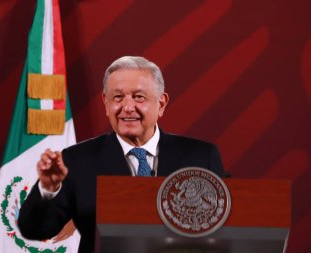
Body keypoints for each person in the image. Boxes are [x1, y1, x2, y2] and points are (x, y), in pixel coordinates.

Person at [18, 56, 224, 253]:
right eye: (117, 97)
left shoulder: (201, 157)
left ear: (161, 104)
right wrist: (48, 189)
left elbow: (230, 226)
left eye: (138, 97)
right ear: (106, 103)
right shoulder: (77, 160)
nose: (127, 107)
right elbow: (34, 230)